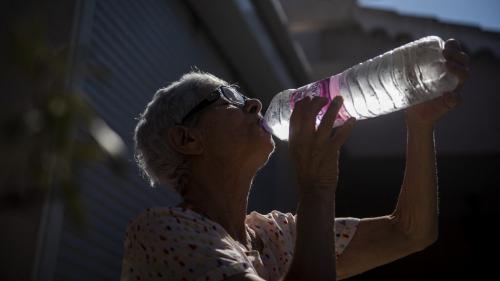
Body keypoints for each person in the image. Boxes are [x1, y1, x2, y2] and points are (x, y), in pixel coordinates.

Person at [121, 39, 469, 281]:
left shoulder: (277, 233)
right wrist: (316, 187)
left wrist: (419, 126)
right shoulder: (161, 232)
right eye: (225, 97)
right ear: (187, 139)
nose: (254, 103)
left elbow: (410, 233)